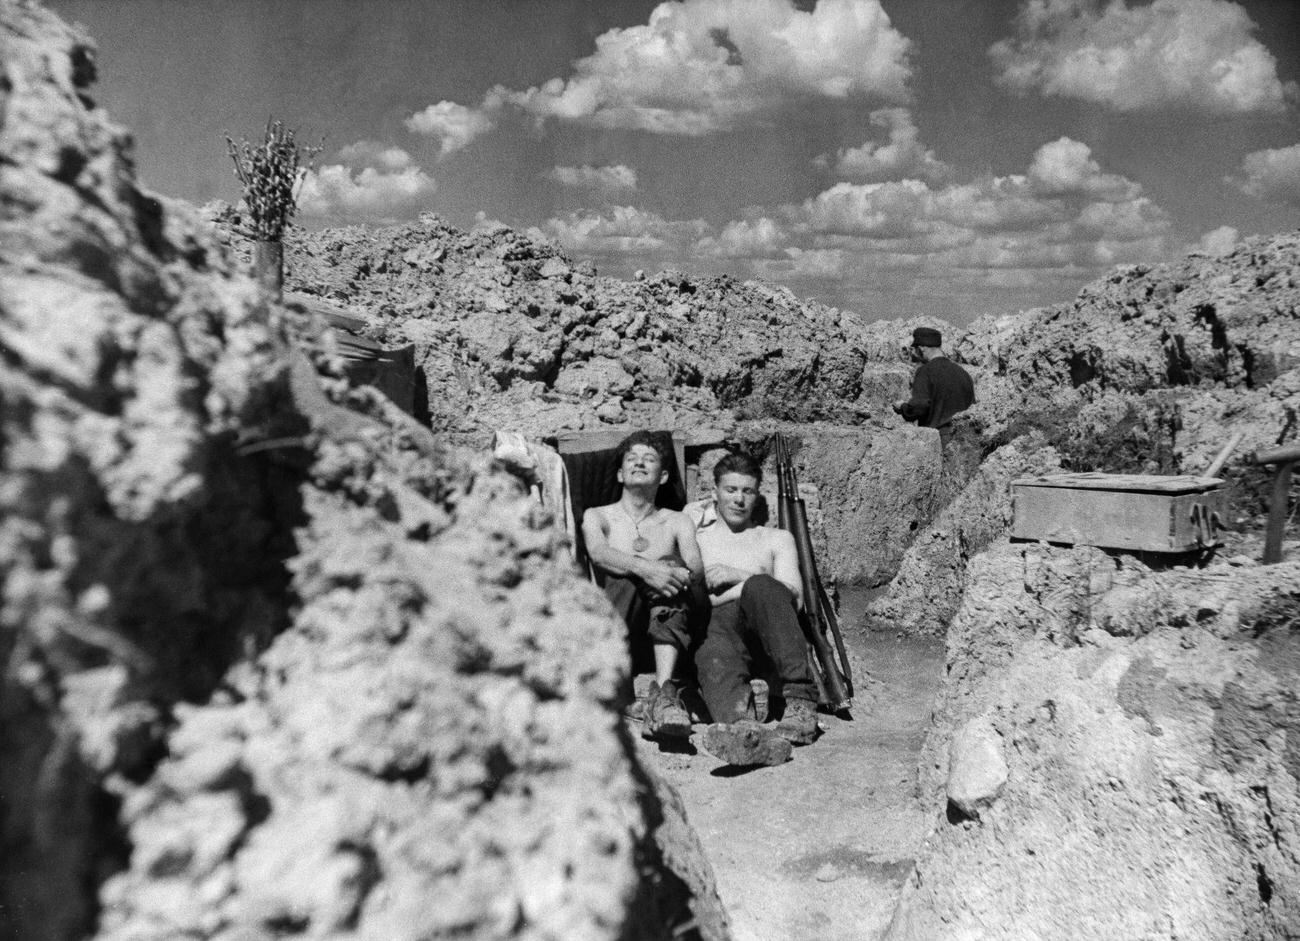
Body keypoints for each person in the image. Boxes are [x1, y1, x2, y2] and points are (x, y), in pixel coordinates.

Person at [691, 452, 819, 761]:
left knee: (761, 586)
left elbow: (793, 595)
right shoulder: (698, 540)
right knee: (710, 655)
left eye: (747, 491)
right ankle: (747, 733)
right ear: (714, 493)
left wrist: (738, 578)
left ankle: (801, 699)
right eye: (731, 490)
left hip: (771, 635)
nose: (739, 499)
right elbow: (696, 601)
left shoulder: (775, 538)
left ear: (756, 495)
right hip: (720, 632)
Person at [582, 431, 706, 741]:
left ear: (663, 476)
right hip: (617, 621)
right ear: (621, 473)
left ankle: (663, 695)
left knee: (672, 567)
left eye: (649, 459)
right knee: (624, 576)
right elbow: (598, 553)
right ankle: (620, 690)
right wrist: (645, 569)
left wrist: (668, 568)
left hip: (667, 622)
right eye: (632, 459)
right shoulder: (598, 516)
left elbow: (696, 569)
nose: (640, 463)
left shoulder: (677, 521)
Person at [892, 327, 975, 447]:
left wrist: (903, 408)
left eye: (914, 349)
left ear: (921, 348)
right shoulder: (963, 373)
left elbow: (919, 407)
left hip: (939, 440)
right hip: (966, 442)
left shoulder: (925, 372)